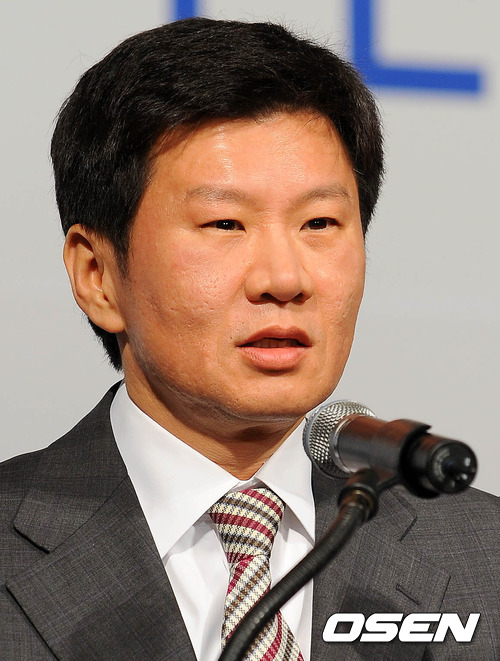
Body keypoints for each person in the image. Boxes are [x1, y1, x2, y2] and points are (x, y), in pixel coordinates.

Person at [0, 17, 498, 661]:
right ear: (98, 275)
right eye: (225, 224)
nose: (284, 280)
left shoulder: (482, 558)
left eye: (320, 222)